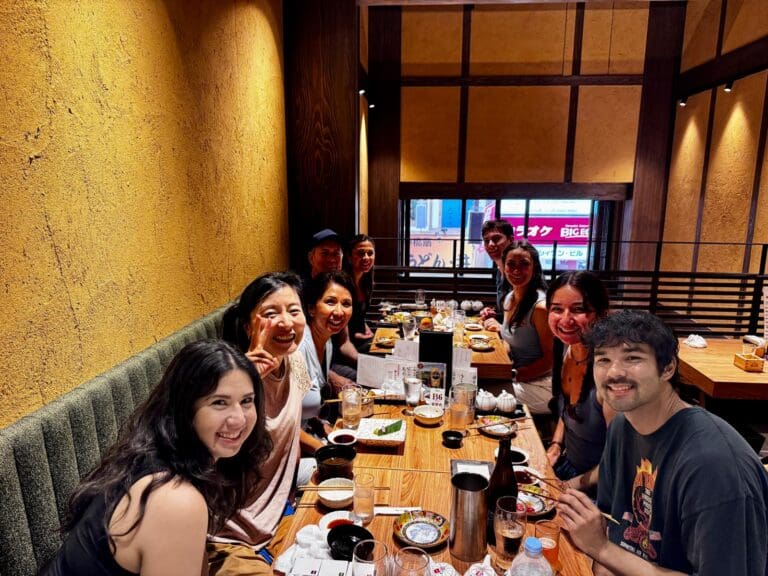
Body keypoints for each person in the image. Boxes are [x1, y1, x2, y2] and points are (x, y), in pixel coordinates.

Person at [558, 311, 768, 576]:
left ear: (668, 367)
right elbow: (614, 526)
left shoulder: (713, 465)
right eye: (603, 359)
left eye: (632, 358)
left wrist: (601, 549)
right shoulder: (623, 427)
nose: (614, 372)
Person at [41, 340, 271, 576]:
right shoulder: (175, 499)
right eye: (219, 402)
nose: (239, 419)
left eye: (246, 401)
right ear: (185, 410)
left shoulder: (158, 454)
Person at [214, 272, 313, 574]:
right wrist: (245, 383)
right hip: (224, 535)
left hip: (278, 511)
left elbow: (291, 431)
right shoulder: (230, 382)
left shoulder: (294, 360)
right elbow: (205, 457)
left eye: (293, 311)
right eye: (271, 314)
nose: (285, 322)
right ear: (248, 326)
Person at [545, 271, 614, 482]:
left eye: (579, 310)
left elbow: (621, 459)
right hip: (568, 467)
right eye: (557, 309)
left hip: (599, 487)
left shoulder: (610, 375)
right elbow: (569, 409)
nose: (566, 319)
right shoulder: (565, 348)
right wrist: (556, 445)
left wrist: (574, 487)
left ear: (602, 314)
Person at [484, 240, 554, 414]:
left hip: (543, 385)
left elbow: (550, 361)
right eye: (511, 264)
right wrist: (499, 329)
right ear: (504, 267)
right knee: (478, 382)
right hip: (519, 377)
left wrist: (513, 375)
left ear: (534, 267)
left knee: (482, 396)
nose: (516, 270)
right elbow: (513, 341)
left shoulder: (540, 307)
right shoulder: (510, 298)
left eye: (524, 264)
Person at [297, 271, 356, 434]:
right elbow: (282, 422)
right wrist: (322, 447)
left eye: (346, 304)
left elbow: (306, 411)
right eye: (330, 302)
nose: (339, 312)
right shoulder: (299, 350)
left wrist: (322, 426)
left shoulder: (327, 343)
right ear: (311, 308)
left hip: (311, 432)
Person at [306, 228, 358, 381]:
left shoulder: (341, 288)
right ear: (311, 258)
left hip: (330, 360)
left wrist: (366, 362)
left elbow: (344, 342)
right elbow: (297, 355)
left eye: (336, 254)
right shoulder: (302, 293)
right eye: (325, 253)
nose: (332, 259)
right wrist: (332, 378)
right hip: (313, 367)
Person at [344, 234, 376, 351]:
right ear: (349, 257)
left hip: (362, 338)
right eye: (361, 253)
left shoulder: (366, 283)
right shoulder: (343, 285)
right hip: (347, 345)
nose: (366, 257)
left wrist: (367, 330)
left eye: (370, 253)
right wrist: (356, 335)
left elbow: (359, 318)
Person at [479, 219, 514, 323]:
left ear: (511, 240)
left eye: (496, 239)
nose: (490, 244)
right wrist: (494, 314)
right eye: (486, 241)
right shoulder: (500, 273)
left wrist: (501, 328)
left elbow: (528, 319)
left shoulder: (519, 274)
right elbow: (508, 314)